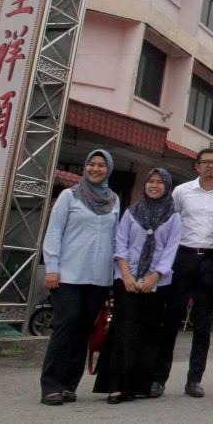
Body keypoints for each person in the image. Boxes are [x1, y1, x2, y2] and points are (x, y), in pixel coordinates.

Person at [39, 150, 120, 406]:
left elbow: (115, 239)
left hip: (98, 279)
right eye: (91, 164)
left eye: (101, 165)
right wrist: (52, 266)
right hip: (68, 276)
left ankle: (68, 385)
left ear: (109, 170)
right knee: (66, 325)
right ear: (85, 167)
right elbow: (54, 232)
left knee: (84, 330)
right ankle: (51, 384)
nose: (95, 169)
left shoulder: (114, 200)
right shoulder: (69, 196)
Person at [94, 168, 182, 403]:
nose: (154, 185)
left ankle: (137, 386)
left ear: (167, 187)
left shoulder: (173, 217)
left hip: (157, 284)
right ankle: (115, 386)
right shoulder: (131, 213)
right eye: (150, 181)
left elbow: (171, 250)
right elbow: (120, 244)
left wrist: (155, 276)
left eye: (159, 182)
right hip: (128, 281)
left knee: (148, 334)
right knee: (124, 333)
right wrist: (126, 276)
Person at [152, 148, 213, 399]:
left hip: (211, 258)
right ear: (196, 166)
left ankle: (194, 379)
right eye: (206, 162)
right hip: (183, 256)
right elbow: (169, 224)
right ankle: (158, 378)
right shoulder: (181, 192)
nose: (210, 166)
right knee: (171, 319)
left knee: (203, 322)